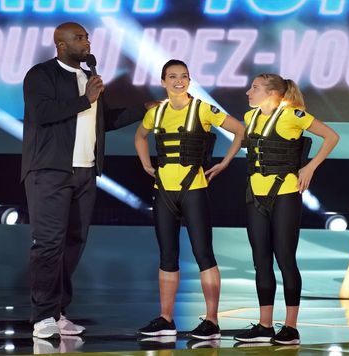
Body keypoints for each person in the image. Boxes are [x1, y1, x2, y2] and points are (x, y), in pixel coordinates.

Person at [21, 22, 152, 339]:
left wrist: (144, 109)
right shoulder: (41, 75)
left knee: (73, 244)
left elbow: (104, 122)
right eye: (79, 38)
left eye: (87, 37)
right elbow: (42, 114)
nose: (87, 42)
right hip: (50, 171)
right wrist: (86, 97)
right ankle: (42, 317)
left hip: (85, 171)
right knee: (49, 244)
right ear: (61, 44)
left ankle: (58, 311)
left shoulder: (87, 79)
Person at [134, 59, 245, 340]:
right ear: (163, 81)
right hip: (164, 192)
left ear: (189, 79)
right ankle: (166, 319)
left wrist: (224, 163)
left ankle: (211, 321)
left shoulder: (203, 109)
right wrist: (147, 165)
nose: (178, 81)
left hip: (193, 190)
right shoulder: (156, 113)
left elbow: (240, 130)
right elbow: (140, 137)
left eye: (183, 76)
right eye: (172, 76)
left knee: (203, 254)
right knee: (167, 256)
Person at [233, 74, 339, 345]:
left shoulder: (293, 115)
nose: (248, 92)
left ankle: (290, 328)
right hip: (255, 196)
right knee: (261, 261)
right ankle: (264, 325)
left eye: (254, 88)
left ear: (272, 93)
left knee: (285, 259)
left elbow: (331, 136)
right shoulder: (250, 118)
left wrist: (310, 167)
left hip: (285, 195)